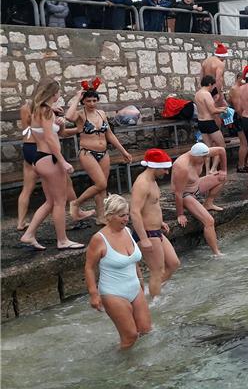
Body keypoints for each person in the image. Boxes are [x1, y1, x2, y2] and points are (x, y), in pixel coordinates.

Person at [19, 78, 84, 251]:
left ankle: (28, 234)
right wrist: (62, 161)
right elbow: (49, 137)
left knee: (49, 202)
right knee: (60, 202)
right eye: (59, 92)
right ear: (53, 94)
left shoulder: (38, 110)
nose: (60, 95)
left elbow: (54, 134)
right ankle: (62, 240)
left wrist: (60, 125)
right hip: (49, 159)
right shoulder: (46, 112)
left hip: (40, 158)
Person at [84, 194, 151, 349]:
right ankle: (122, 367)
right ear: (109, 216)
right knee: (130, 337)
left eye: (127, 214)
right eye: (121, 216)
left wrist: (141, 281)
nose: (126, 218)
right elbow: (89, 267)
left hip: (134, 287)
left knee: (146, 330)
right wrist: (94, 294)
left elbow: (133, 261)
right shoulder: (99, 239)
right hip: (113, 292)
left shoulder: (127, 230)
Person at [65, 79, 133, 223]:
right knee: (101, 184)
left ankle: (101, 217)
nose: (91, 103)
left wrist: (124, 151)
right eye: (88, 101)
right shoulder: (80, 114)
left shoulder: (101, 113)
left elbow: (109, 134)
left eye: (94, 100)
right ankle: (76, 203)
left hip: (103, 152)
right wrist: (78, 96)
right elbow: (68, 117)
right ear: (84, 101)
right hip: (87, 152)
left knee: (102, 187)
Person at [130, 149, 180, 297]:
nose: (166, 172)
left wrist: (161, 221)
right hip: (147, 234)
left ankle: (152, 291)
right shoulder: (142, 183)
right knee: (157, 271)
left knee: (173, 263)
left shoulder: (152, 181)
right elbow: (134, 212)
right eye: (164, 169)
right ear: (154, 166)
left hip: (156, 230)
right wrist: (144, 239)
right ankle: (156, 303)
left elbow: (151, 206)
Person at [171, 143, 226, 256]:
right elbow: (178, 193)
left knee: (222, 177)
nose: (205, 159)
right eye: (203, 158)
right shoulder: (182, 166)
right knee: (209, 221)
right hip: (185, 194)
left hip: (197, 185)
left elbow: (221, 150)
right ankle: (216, 252)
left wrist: (224, 170)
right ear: (194, 155)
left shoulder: (202, 152)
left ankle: (208, 203)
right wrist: (180, 214)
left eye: (206, 156)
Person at [194, 75, 228, 171]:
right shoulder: (206, 94)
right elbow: (212, 111)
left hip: (201, 122)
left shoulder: (197, 94)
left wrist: (221, 108)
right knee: (221, 146)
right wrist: (223, 111)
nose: (213, 88)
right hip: (209, 123)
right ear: (209, 84)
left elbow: (206, 109)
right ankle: (213, 169)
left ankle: (208, 170)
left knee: (207, 148)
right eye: (213, 86)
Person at [226, 71, 248, 173]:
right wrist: (243, 117)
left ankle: (244, 163)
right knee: (244, 143)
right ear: (239, 78)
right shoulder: (235, 89)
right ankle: (240, 165)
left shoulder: (241, 88)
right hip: (240, 117)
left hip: (244, 115)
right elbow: (236, 105)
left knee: (247, 142)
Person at [200, 42, 229, 109]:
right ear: (223, 56)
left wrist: (201, 88)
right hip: (214, 88)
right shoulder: (220, 64)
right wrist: (220, 94)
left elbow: (201, 76)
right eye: (224, 57)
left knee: (208, 107)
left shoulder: (206, 61)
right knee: (224, 108)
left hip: (205, 87)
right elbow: (218, 79)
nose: (224, 59)